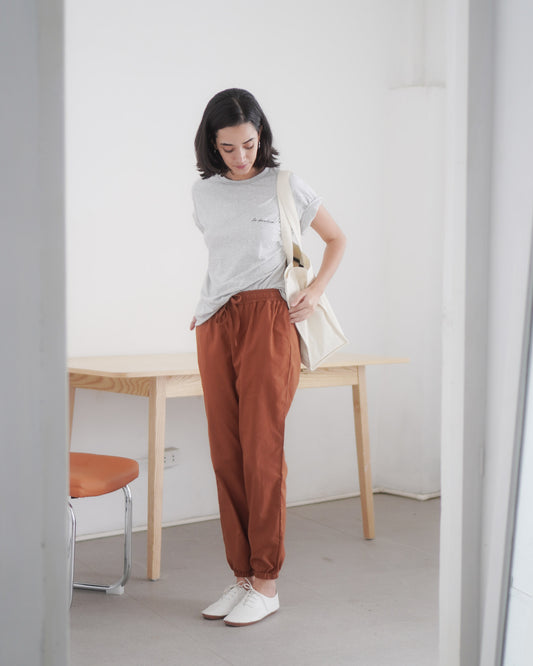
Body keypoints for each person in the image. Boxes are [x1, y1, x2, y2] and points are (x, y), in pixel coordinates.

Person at [190, 88, 346, 627]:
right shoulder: (203, 193)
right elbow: (223, 259)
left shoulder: (285, 184)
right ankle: (241, 577)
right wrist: (204, 308)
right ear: (211, 145)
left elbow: (337, 239)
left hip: (268, 319)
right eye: (227, 147)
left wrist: (316, 291)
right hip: (215, 322)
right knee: (225, 453)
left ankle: (267, 582)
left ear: (262, 137)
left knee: (261, 450)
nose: (240, 157)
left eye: (249, 145)